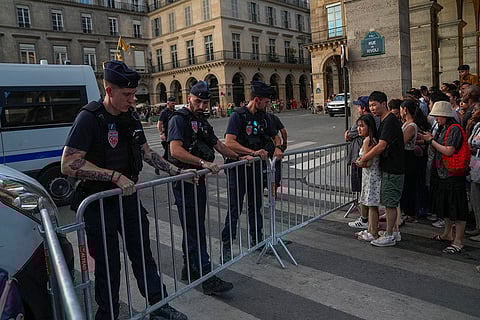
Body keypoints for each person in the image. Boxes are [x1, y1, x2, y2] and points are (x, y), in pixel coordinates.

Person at [61, 60, 187, 320]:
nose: (133, 100)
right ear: (109, 91)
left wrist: (176, 171)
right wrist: (114, 176)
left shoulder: (130, 117)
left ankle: (158, 306)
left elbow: (146, 153)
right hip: (98, 201)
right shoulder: (90, 117)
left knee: (143, 254)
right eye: (127, 95)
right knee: (109, 266)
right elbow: (69, 163)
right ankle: (108, 315)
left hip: (127, 199)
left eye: (134, 94)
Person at [167, 81, 249, 295]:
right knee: (196, 229)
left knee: (193, 227)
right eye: (197, 101)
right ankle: (206, 276)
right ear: (189, 98)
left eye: (205, 102)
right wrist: (203, 164)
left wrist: (242, 156)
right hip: (185, 181)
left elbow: (218, 145)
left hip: (198, 181)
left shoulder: (201, 121)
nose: (201, 105)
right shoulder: (179, 119)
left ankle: (190, 268)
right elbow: (175, 150)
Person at [221, 81, 283, 261]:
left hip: (257, 168)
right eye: (265, 102)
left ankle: (257, 239)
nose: (268, 105)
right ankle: (227, 244)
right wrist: (252, 152)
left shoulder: (264, 117)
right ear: (257, 100)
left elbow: (276, 135)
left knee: (256, 206)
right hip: (238, 167)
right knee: (235, 208)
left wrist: (278, 147)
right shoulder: (238, 116)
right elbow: (229, 142)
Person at [357, 91, 405, 247]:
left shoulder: (389, 121)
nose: (372, 108)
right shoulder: (385, 121)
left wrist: (364, 157)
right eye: (370, 105)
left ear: (383, 104)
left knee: (390, 204)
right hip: (391, 168)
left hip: (394, 168)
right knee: (391, 202)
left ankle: (389, 235)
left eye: (374, 104)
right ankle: (394, 232)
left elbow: (381, 146)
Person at [421, 101, 470, 254]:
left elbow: (448, 151)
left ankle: (458, 240)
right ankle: (447, 233)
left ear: (445, 116)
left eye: (438, 116)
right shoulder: (444, 128)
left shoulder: (454, 129)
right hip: (444, 173)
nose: (436, 119)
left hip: (453, 174)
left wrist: (431, 141)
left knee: (457, 206)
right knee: (448, 206)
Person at [345, 96, 374, 229]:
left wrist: (348, 134)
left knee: (364, 191)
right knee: (365, 192)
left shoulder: (364, 120)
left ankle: (365, 219)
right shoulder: (374, 119)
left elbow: (349, 134)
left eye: (359, 106)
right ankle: (366, 219)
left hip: (361, 158)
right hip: (362, 158)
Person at [354, 114, 381, 241]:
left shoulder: (368, 140)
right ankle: (370, 229)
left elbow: (367, 162)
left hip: (371, 176)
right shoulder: (371, 139)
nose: (359, 129)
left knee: (372, 205)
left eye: (362, 126)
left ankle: (373, 232)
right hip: (370, 176)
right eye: (358, 126)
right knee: (370, 204)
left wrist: (359, 162)